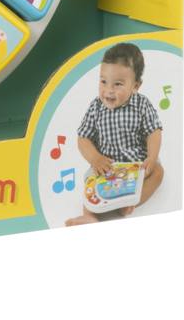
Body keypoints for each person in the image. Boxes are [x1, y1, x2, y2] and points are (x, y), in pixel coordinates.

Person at [65, 42, 163, 226]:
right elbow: (83, 138)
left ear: (135, 86)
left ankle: (129, 202)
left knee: (158, 172)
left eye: (118, 84)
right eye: (103, 82)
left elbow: (154, 132)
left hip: (136, 167)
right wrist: (95, 158)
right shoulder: (96, 107)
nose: (108, 90)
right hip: (107, 167)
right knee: (91, 184)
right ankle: (90, 215)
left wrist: (151, 157)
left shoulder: (142, 105)